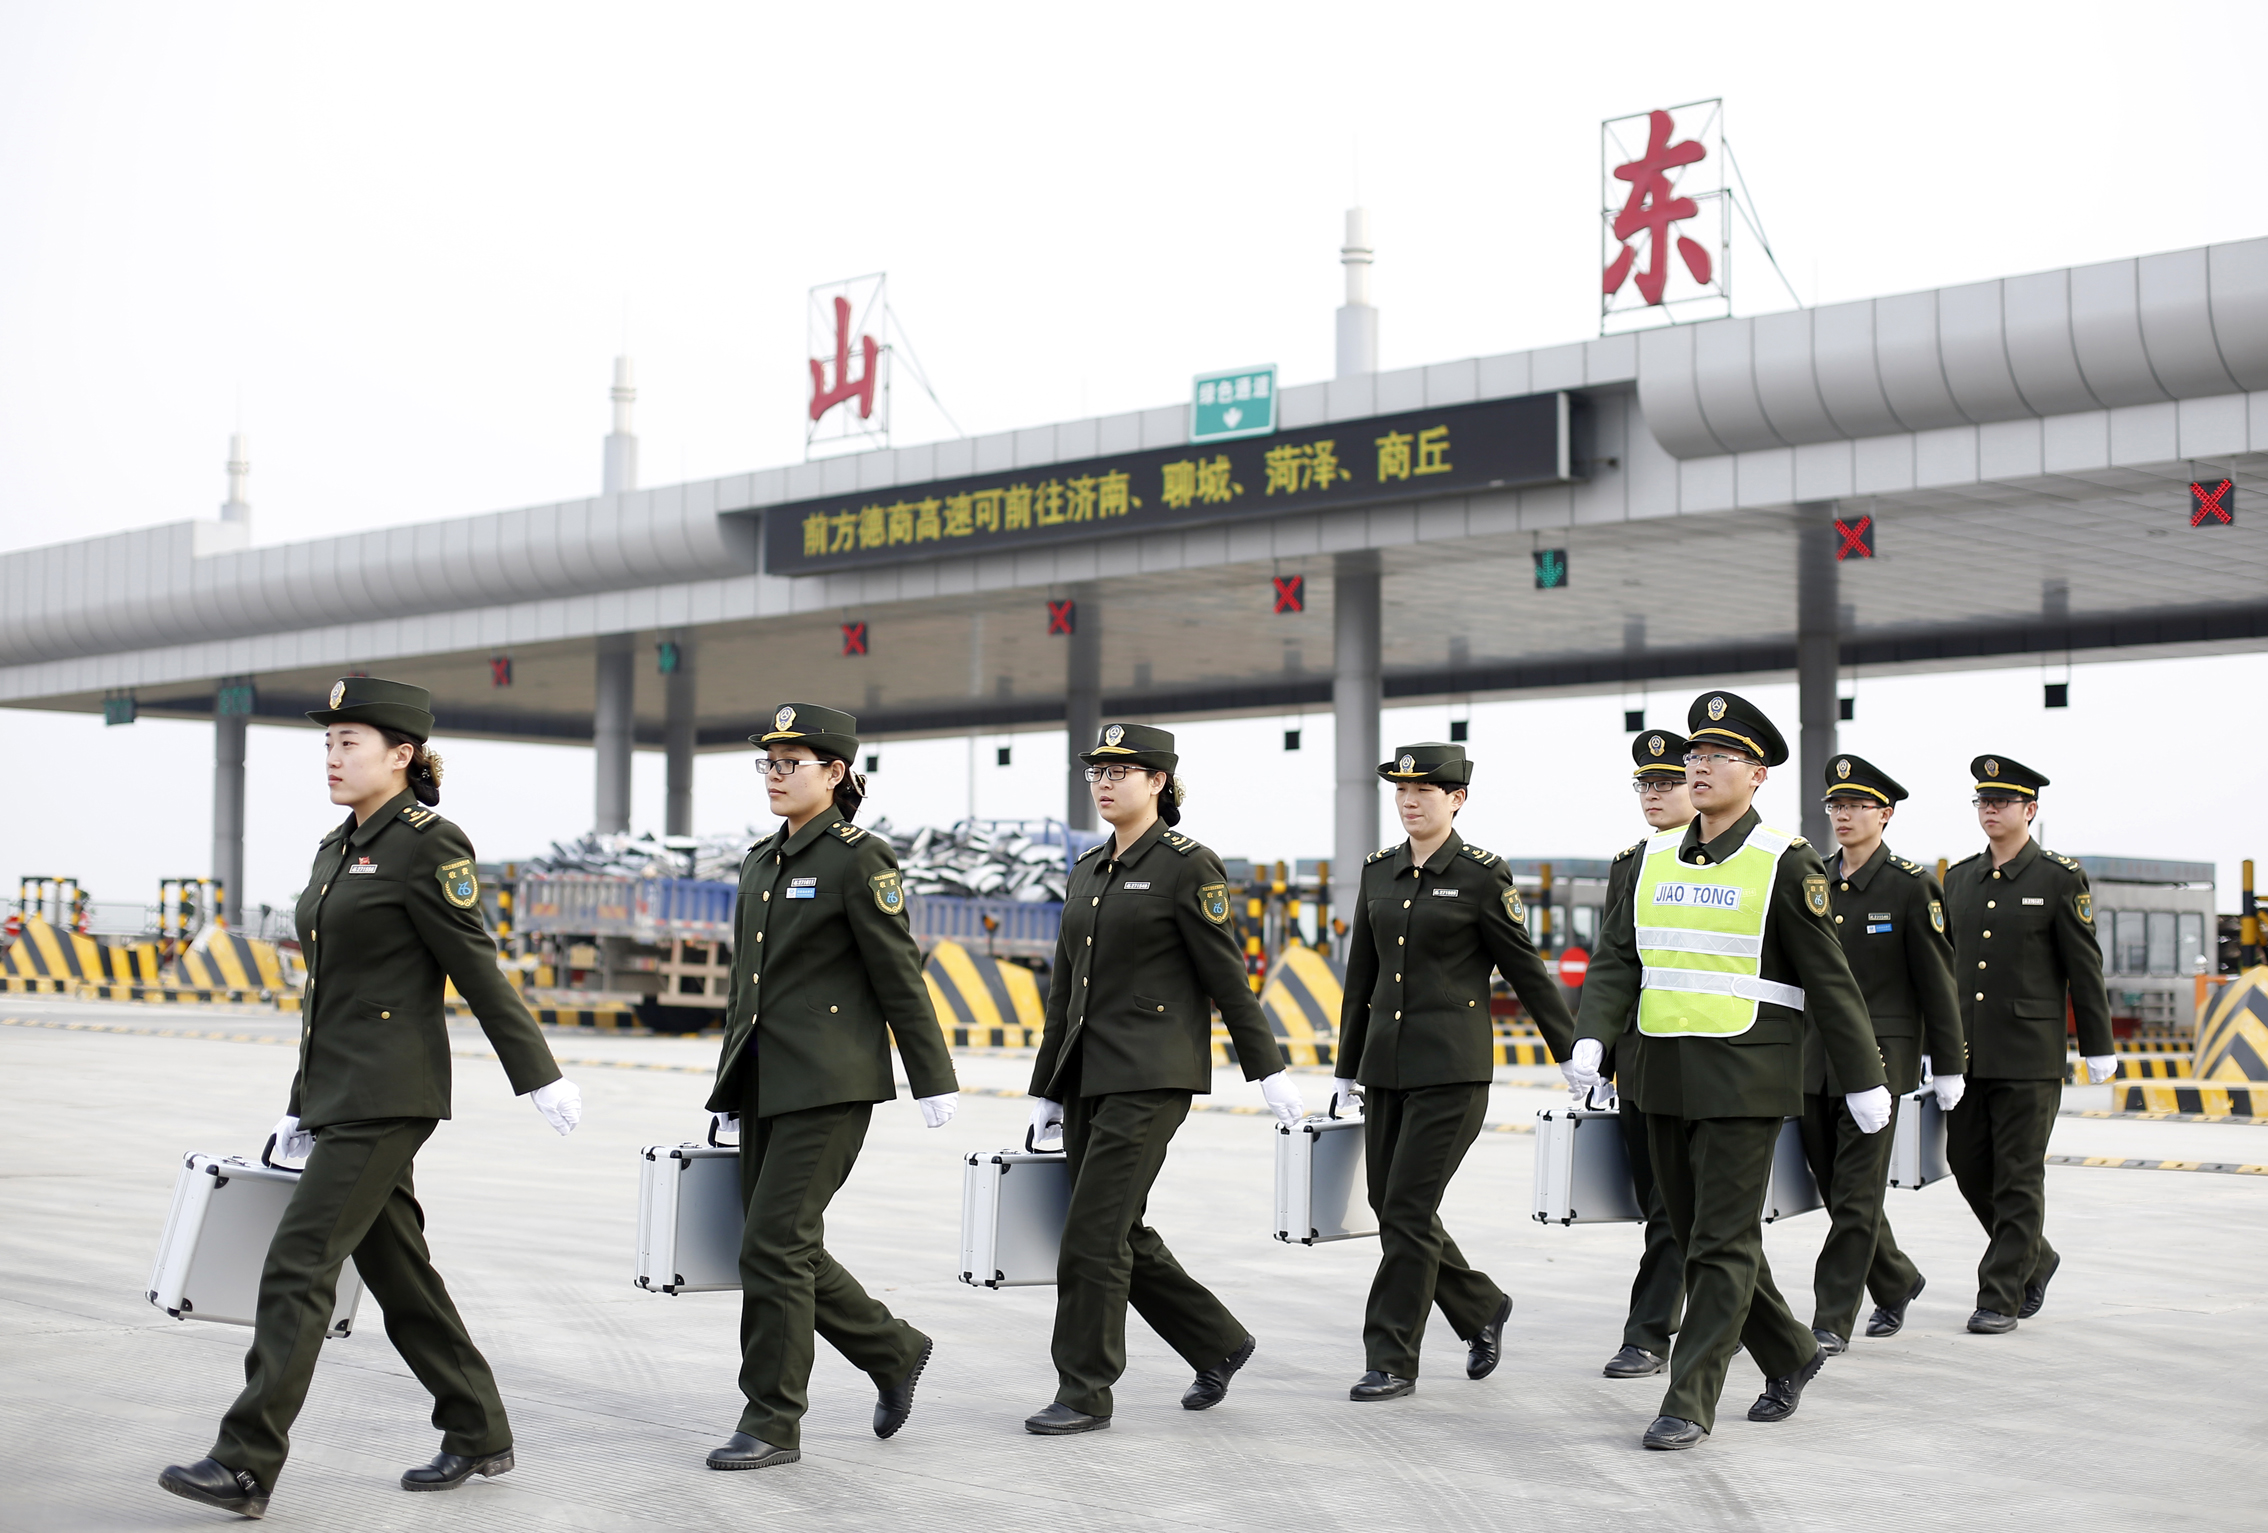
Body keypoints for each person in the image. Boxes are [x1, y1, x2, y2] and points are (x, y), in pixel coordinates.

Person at [160, 677, 581, 1520]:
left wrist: (538, 1072)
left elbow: (474, 965)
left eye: (349, 742)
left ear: (402, 755)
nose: (332, 755)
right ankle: (478, 1426)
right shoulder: (337, 847)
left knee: (299, 1261)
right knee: (398, 1271)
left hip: (390, 1091)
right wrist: (298, 1104)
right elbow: (327, 995)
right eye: (328, 742)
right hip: (338, 1091)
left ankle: (245, 1461)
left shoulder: (428, 843)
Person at [1564, 691, 1888, 1452]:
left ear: (1758, 774)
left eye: (1720, 756)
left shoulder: (1783, 860)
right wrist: (1592, 1037)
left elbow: (1830, 977)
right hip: (1660, 1074)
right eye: (1696, 755)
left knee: (1720, 1242)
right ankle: (1792, 1350)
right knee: (1696, 1236)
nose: (1701, 767)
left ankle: (1689, 1397)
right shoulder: (1650, 859)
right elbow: (1618, 957)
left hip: (1745, 1078)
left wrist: (1864, 1076)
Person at [1023, 722, 1304, 1435]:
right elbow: (1065, 991)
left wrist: (1267, 1069)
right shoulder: (1087, 869)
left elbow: (1226, 976)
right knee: (1118, 1227)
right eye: (1097, 771)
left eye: (1121, 771)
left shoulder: (1187, 865)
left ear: (1158, 782)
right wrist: (1046, 1088)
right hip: (1086, 1074)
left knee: (1091, 1234)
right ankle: (1217, 1341)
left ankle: (1084, 1391)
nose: (1104, 782)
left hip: (1151, 1074)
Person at [701, 703, 960, 1470]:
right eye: (769, 762)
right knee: (784, 1244)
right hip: (762, 1079)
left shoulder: (858, 858)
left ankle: (772, 1419)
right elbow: (745, 990)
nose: (775, 775)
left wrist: (932, 1076)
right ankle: (892, 1348)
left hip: (830, 1081)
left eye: (792, 762)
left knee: (773, 1245)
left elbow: (898, 972)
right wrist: (726, 1091)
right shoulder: (760, 859)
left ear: (835, 772)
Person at [1329, 742, 1575, 1402]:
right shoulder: (1378, 871)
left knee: (1408, 1209)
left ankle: (1391, 1358)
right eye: (1402, 790)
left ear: (1457, 799)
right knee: (1389, 1206)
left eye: (1425, 790)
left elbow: (1526, 970)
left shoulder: (1480, 875)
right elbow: (1361, 978)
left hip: (1452, 1070)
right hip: (1385, 1067)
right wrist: (1345, 1069)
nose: (1410, 801)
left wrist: (1570, 1052)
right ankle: (1481, 1305)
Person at [1943, 755, 2114, 1335]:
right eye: (1983, 801)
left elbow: (2084, 967)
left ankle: (2000, 1295)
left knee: (2017, 1175)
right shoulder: (1959, 879)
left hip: (2029, 1056)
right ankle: (2035, 1257)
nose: (1990, 809)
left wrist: (2097, 1045)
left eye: (2002, 801)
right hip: (1968, 1055)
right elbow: (1945, 972)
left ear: (2030, 810)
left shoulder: (2059, 879)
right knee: (1967, 1165)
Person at [1803, 754, 1966, 1354]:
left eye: (1856, 806)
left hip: (1879, 1062)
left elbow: (1937, 984)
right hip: (1815, 1059)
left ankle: (1830, 1318)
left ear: (1885, 814)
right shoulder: (1815, 879)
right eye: (1836, 805)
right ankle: (1896, 1278)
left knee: (1855, 1194)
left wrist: (1948, 1064)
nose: (1843, 815)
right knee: (1832, 1188)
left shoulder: (1910, 885)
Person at [1596, 729, 1692, 1380]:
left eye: (1666, 783)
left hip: (1705, 1057)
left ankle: (1648, 1333)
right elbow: (1615, 962)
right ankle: (1728, 1307)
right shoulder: (1628, 863)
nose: (1653, 794)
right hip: (1638, 1058)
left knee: (1671, 1208)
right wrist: (1601, 1056)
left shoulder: (1733, 861)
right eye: (1645, 784)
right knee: (1658, 1199)